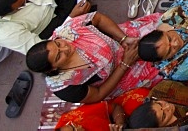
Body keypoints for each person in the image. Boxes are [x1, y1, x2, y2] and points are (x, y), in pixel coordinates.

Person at [26, 11, 162, 103]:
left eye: (58, 43)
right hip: (123, 76)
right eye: (59, 56)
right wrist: (125, 64)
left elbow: (97, 18)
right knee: (164, 58)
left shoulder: (67, 31)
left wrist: (123, 38)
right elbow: (98, 94)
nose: (65, 48)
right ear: (52, 69)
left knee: (162, 30)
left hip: (122, 39)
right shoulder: (64, 86)